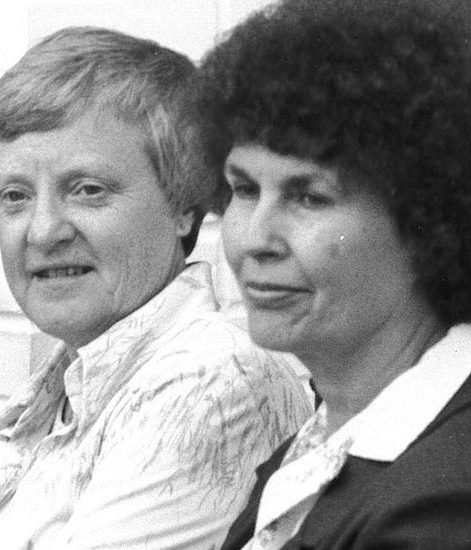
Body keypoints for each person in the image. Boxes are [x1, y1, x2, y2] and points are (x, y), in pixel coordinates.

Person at [197, 0, 471, 547]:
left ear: (428, 222)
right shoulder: (334, 433)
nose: (255, 240)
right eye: (244, 189)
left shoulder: (455, 504)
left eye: (309, 197)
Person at [0, 27, 313, 550]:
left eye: (88, 190)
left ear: (183, 206)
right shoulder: (67, 386)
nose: (43, 231)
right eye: (14, 196)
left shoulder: (209, 384)